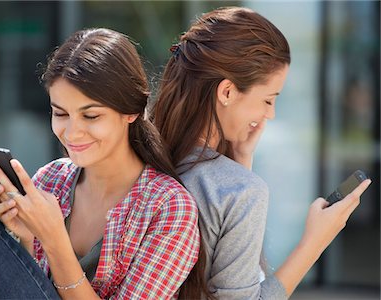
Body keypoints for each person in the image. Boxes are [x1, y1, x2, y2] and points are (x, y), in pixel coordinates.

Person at [0, 28, 201, 299]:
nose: (72, 133)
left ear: (131, 112)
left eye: (91, 116)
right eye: (60, 113)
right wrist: (24, 237)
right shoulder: (52, 178)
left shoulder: (168, 207)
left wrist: (54, 239)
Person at [152, 7, 372, 299]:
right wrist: (315, 242)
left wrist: (240, 163)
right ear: (227, 92)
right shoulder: (239, 191)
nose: (270, 114)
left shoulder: (145, 158)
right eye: (268, 100)